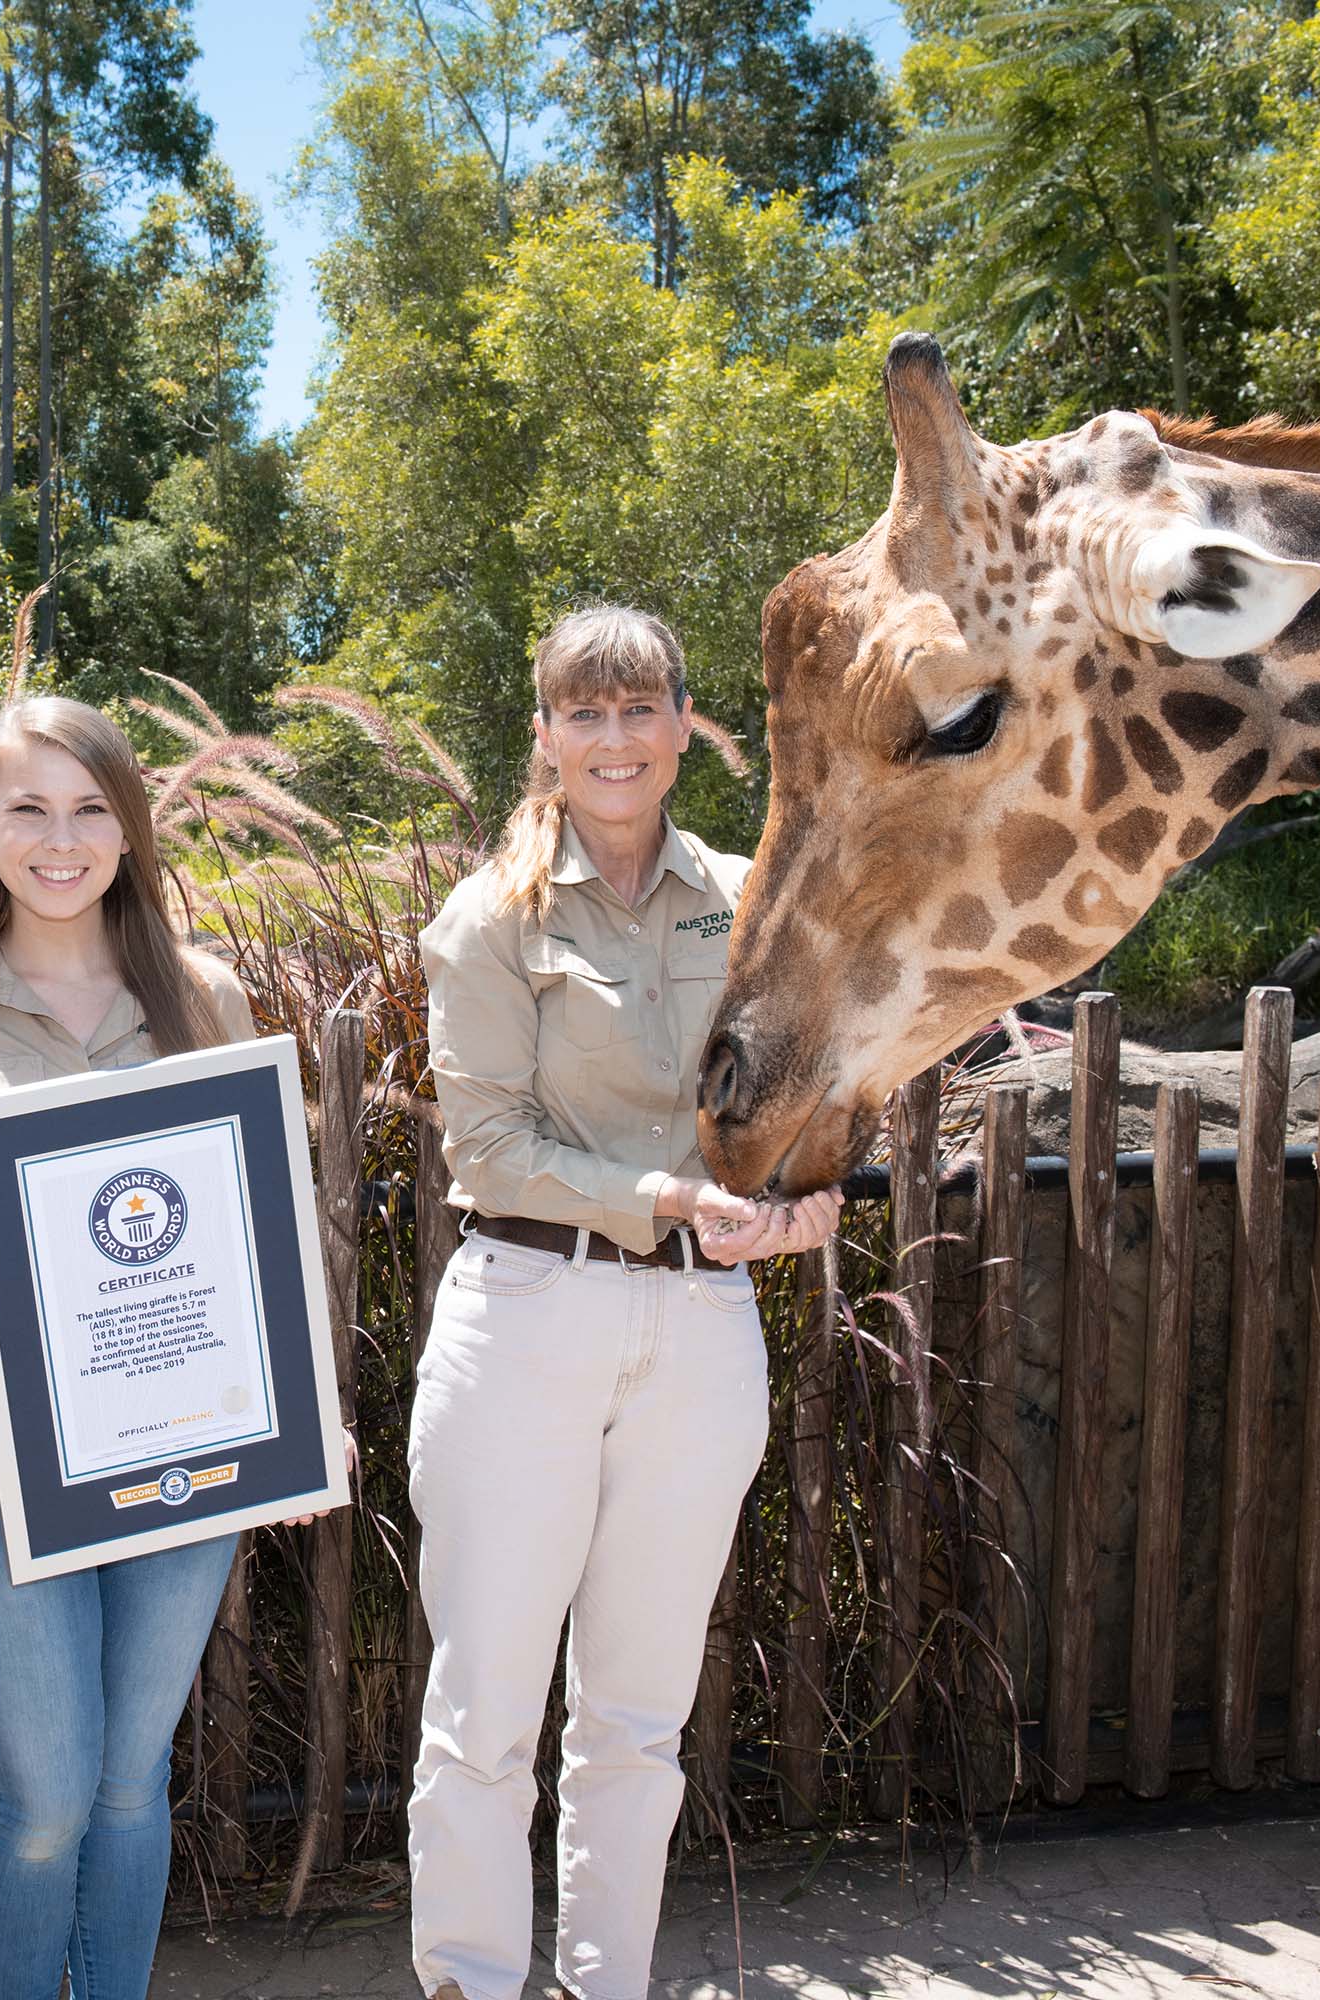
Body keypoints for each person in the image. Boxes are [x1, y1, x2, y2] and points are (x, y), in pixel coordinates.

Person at [408, 606, 840, 2000]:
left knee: (639, 1720)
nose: (612, 737)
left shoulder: (751, 897)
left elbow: (796, 1080)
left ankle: (608, 1986)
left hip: (703, 1330)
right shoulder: (491, 919)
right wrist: (664, 1199)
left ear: (680, 726)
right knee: (485, 1718)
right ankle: (473, 1982)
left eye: (636, 707)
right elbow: (487, 1148)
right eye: (581, 713)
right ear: (543, 734)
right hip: (530, 1315)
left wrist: (804, 1188)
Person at [0, 696, 285, 2000]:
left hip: (183, 1461)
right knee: (48, 1795)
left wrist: (299, 1405)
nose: (60, 839)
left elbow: (258, 1235)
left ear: (129, 830)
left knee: (130, 1789)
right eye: (29, 808)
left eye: (89, 809)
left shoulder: (203, 1000)